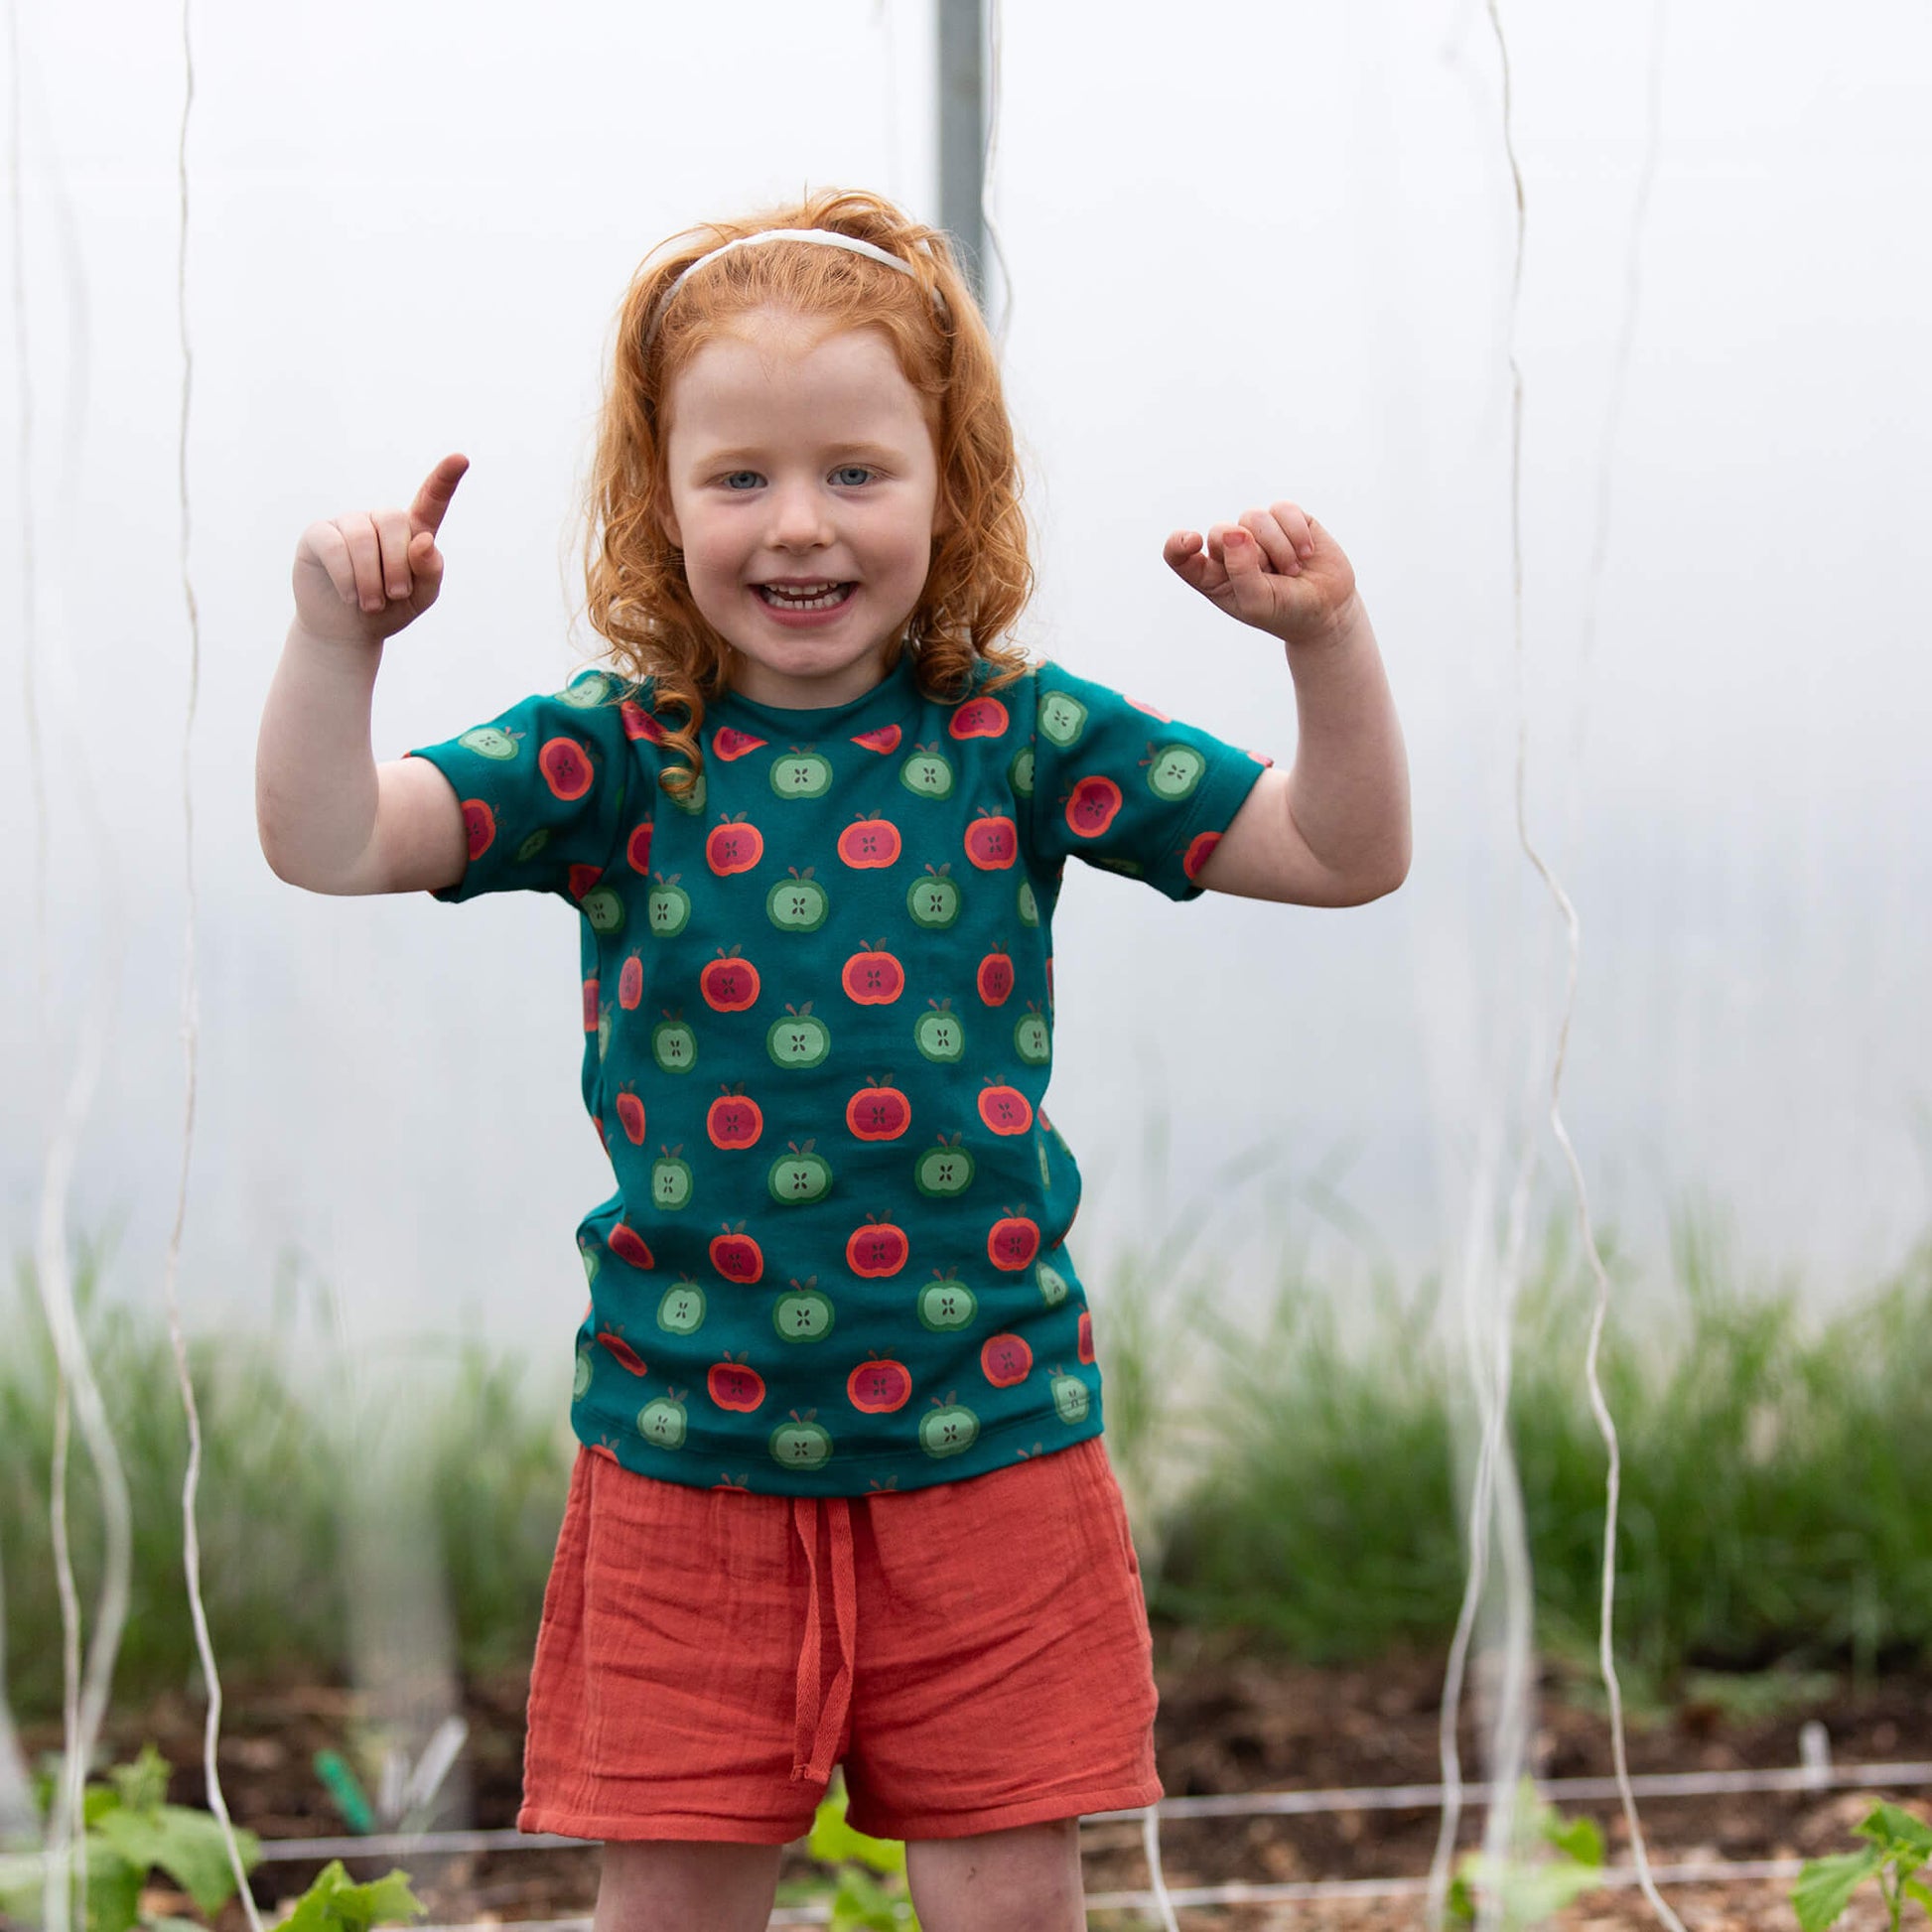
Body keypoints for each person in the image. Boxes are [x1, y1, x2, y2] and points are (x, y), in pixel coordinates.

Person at [256, 186, 1410, 1932]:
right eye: (739, 479)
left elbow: (1339, 853)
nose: (799, 525)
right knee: (673, 1900)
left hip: (992, 1438)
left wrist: (1324, 644)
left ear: (953, 487)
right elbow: (333, 837)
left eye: (857, 472)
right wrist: (339, 646)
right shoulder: (615, 752)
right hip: (686, 1442)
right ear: (661, 499)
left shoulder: (1017, 733)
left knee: (1010, 1891)